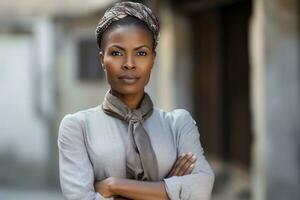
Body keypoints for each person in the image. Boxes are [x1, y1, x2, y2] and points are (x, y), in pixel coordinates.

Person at [58, 1, 214, 200]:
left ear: (153, 60)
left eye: (141, 53)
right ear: (101, 60)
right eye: (117, 53)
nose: (129, 64)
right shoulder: (77, 127)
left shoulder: (178, 124)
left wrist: (113, 185)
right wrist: (168, 191)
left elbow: (202, 189)